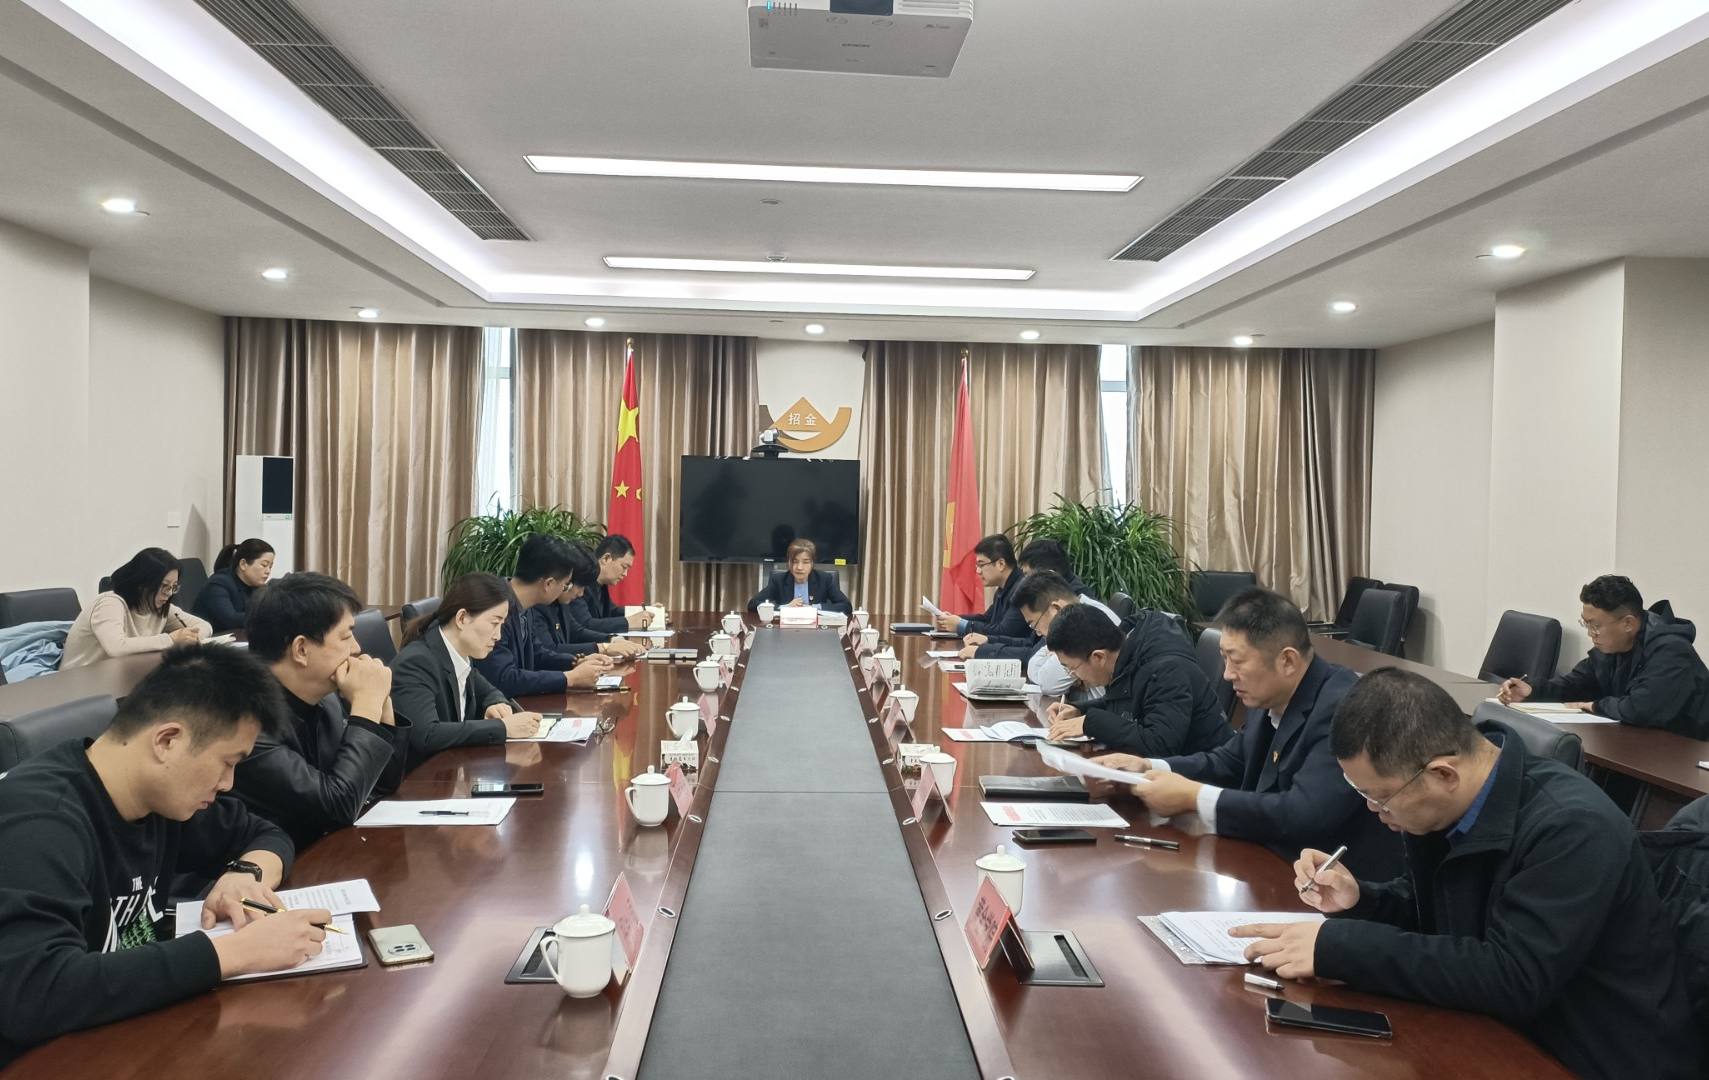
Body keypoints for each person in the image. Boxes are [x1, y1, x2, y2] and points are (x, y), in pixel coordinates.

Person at [1233, 669, 1697, 1080]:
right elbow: (1439, 914)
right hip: (1504, 1034)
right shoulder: (1456, 803)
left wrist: (1340, 948)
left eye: (1380, 797)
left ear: (1443, 775)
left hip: (1591, 1057)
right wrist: (1361, 901)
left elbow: (1512, 977)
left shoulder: (1574, 828)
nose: (1375, 812)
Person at [0, 646, 331, 1067]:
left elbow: (266, 833)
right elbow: (34, 991)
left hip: (121, 1036)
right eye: (227, 763)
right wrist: (236, 953)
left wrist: (245, 873)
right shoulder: (41, 822)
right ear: (167, 741)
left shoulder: (157, 795)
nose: (228, 784)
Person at [1090, 587, 1402, 875]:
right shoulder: (1268, 692)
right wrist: (1150, 767)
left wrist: (1194, 797)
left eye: (1236, 661)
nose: (1227, 675)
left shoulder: (1343, 708)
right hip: (1271, 862)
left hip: (1332, 882)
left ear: (1287, 661)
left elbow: (1304, 813)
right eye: (1224, 659)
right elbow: (1232, 760)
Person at [232, 572, 408, 851]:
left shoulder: (326, 699)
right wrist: (366, 706)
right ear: (301, 649)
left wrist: (381, 705)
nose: (357, 648)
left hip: (324, 852)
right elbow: (337, 807)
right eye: (346, 636)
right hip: (270, 865)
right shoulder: (245, 724)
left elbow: (381, 785)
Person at [1499, 574, 1709, 738]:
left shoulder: (1672, 651)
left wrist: (1594, 705)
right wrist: (1533, 690)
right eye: (1586, 624)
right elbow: (1575, 684)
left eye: (1595, 626)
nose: (1591, 634)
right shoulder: (1611, 646)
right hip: (1640, 745)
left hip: (1686, 757)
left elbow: (1640, 709)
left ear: (1628, 623)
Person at [1042, 602, 1230, 756]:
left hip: (1205, 778)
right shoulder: (1128, 652)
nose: (1073, 676)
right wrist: (1079, 711)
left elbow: (1160, 744)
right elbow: (1128, 703)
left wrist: (1090, 723)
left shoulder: (1167, 670)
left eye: (1072, 668)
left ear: (1098, 657)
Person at [393, 573, 546, 761]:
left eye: (501, 624)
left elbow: (488, 691)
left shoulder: (460, 652)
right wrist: (503, 728)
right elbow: (427, 735)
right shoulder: (416, 663)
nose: (498, 635)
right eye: (494, 623)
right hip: (424, 775)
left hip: (453, 767)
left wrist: (497, 703)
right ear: (462, 618)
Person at [474, 536, 617, 699]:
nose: (565, 590)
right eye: (566, 584)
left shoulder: (523, 604)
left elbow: (537, 653)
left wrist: (576, 662)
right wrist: (569, 678)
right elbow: (504, 678)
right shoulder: (495, 609)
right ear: (548, 584)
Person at [60, 548, 212, 669]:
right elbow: (116, 647)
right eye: (164, 586)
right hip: (78, 681)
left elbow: (205, 626)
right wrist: (171, 639)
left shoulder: (159, 607)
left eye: (173, 587)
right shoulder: (110, 604)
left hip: (123, 675)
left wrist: (191, 638)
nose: (169, 593)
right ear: (142, 583)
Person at [1011, 570, 1122, 697]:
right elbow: (1033, 662)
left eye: (1034, 625)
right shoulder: (1075, 618)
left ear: (1056, 609)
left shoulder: (1084, 623)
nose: (1038, 633)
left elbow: (1048, 684)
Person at [934, 534, 1025, 642]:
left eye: (981, 565)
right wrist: (956, 619)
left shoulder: (1022, 589)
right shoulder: (1004, 588)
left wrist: (962, 624)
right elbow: (987, 620)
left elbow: (1004, 631)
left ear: (1001, 564)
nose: (978, 571)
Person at [565, 535, 654, 637]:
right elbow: (585, 624)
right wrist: (628, 622)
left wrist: (644, 611)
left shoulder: (601, 584)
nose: (625, 574)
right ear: (606, 559)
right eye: (624, 567)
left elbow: (612, 611)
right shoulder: (581, 581)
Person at [747, 538, 853, 615]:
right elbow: (753, 604)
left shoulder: (824, 579)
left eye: (805, 562)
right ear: (789, 563)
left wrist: (814, 608)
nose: (799, 567)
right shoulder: (778, 580)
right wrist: (785, 607)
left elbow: (846, 606)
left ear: (812, 563)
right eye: (795, 561)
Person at [192, 539, 275, 632]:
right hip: (211, 639)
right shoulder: (218, 584)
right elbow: (231, 620)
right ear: (243, 564)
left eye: (270, 567)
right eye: (264, 565)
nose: (268, 571)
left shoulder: (256, 586)